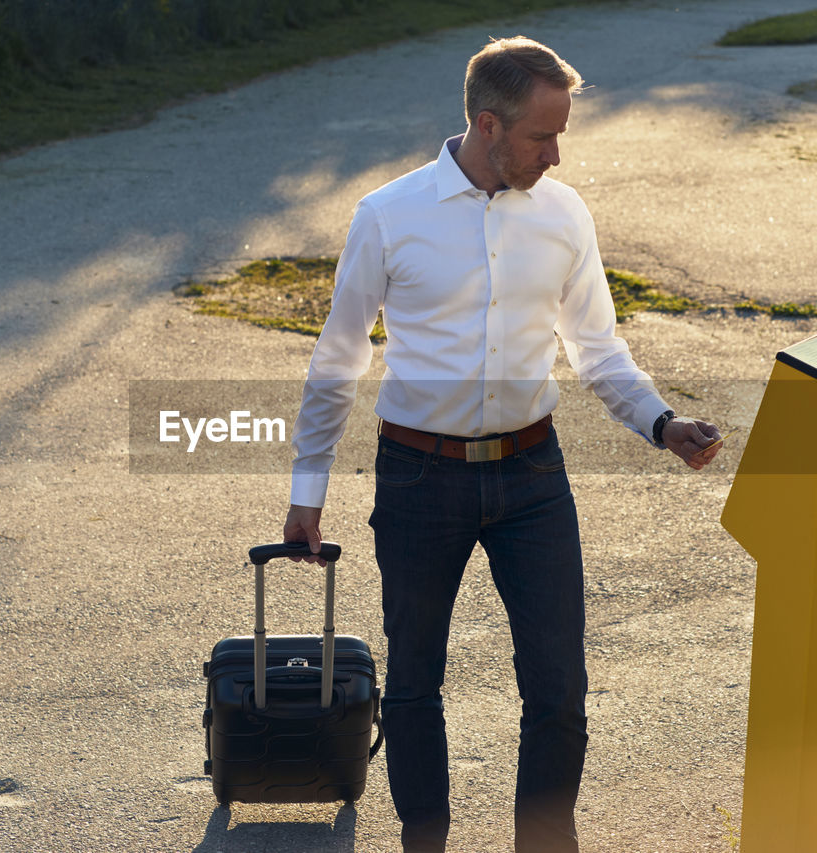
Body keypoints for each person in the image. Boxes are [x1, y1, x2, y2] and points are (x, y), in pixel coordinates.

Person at [282, 36, 721, 853]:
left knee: (558, 686)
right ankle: (426, 840)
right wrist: (308, 492)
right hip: (419, 477)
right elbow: (338, 357)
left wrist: (661, 423)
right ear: (489, 125)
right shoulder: (388, 214)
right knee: (414, 682)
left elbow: (598, 350)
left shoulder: (564, 214)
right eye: (540, 137)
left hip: (532, 475)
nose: (556, 155)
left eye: (560, 137)